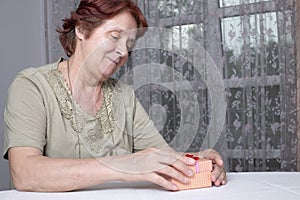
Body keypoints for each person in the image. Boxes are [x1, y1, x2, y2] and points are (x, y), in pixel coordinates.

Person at [3, 0, 226, 192]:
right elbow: (24, 173)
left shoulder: (124, 95)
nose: (122, 52)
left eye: (129, 45)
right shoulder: (32, 86)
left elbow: (160, 158)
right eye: (114, 37)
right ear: (82, 29)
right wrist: (126, 165)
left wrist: (199, 161)